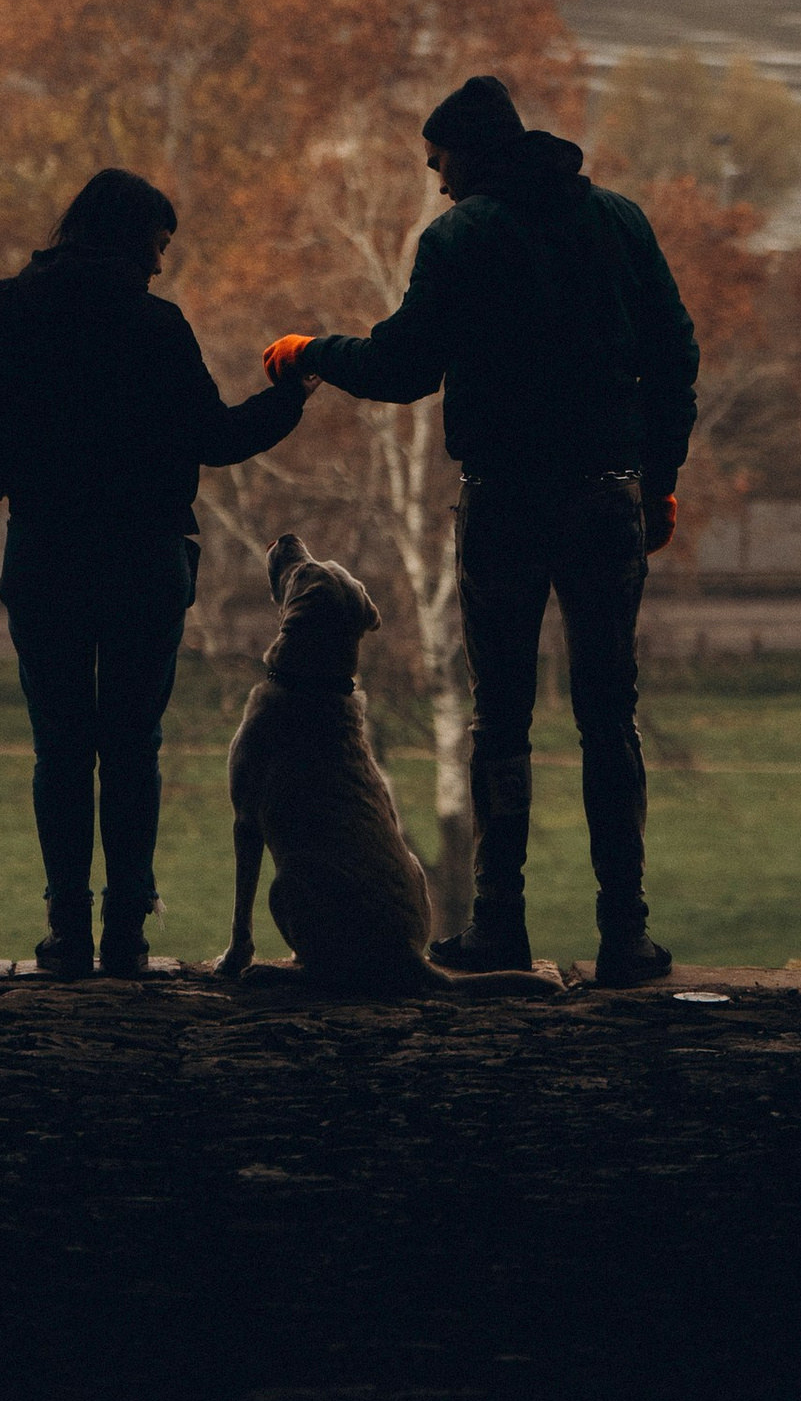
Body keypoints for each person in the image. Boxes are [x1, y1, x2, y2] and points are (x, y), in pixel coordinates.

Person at [264, 73, 699, 984]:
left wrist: (311, 353)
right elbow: (674, 351)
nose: (435, 182)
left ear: (467, 156)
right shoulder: (618, 220)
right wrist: (659, 481)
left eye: (437, 163)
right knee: (609, 716)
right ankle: (626, 932)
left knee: (500, 720)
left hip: (507, 502)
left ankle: (501, 922)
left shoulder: (462, 237)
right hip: (608, 498)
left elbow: (403, 365)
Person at [0, 166, 309, 978]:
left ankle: (67, 928)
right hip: (143, 556)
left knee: (59, 747)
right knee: (132, 747)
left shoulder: (4, 308)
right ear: (134, 241)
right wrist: (291, 396)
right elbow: (217, 438)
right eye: (159, 245)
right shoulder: (156, 326)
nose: (162, 265)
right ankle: (127, 929)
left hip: (46, 550)